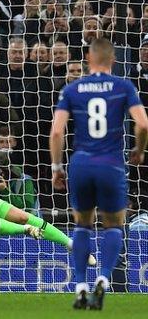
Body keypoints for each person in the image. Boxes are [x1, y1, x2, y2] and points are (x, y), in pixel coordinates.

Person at [50, 38, 148, 310]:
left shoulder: (73, 88)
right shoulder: (123, 86)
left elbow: (57, 131)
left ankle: (80, 285)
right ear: (113, 60)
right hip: (111, 164)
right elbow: (142, 123)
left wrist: (57, 168)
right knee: (114, 225)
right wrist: (139, 151)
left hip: (80, 164)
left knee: (82, 224)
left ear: (88, 60)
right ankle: (103, 279)